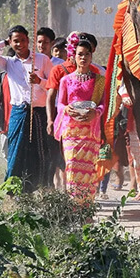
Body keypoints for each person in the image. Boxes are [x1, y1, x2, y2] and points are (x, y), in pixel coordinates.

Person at [0, 25, 55, 192]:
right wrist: (5, 42)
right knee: (15, 153)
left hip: (39, 113)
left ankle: (43, 190)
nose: (20, 44)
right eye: (16, 41)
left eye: (23, 40)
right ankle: (13, 191)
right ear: (11, 43)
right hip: (19, 113)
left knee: (40, 153)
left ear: (28, 41)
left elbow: (53, 86)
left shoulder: (42, 59)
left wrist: (39, 82)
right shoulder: (8, 63)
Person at [51, 38, 106, 204]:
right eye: (80, 54)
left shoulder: (99, 80)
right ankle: (75, 207)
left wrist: (95, 112)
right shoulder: (66, 80)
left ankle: (87, 208)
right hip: (71, 132)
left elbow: (103, 104)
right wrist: (66, 109)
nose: (83, 58)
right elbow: (60, 104)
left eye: (87, 54)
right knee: (73, 168)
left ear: (91, 56)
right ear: (73, 56)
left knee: (89, 171)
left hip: (90, 131)